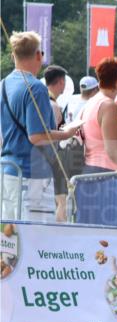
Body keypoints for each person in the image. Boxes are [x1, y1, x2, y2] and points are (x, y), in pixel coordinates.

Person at [0, 32, 79, 220]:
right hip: (33, 175)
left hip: (9, 171)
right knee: (33, 239)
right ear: (38, 55)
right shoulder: (36, 87)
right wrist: (66, 133)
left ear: (13, 56)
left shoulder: (3, 84)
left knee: (10, 239)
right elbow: (36, 136)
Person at [43, 65, 71, 222]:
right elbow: (51, 136)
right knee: (61, 201)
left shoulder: (43, 101)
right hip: (53, 161)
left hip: (47, 162)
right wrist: (68, 133)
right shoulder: (53, 106)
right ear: (61, 82)